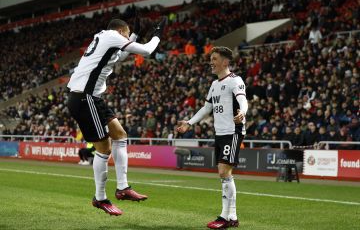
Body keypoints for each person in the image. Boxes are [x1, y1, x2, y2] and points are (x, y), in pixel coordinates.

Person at [67, 16, 166, 216]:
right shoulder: (113, 36)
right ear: (122, 31)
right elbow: (146, 50)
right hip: (84, 98)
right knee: (104, 147)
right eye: (128, 35)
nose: (129, 40)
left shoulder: (104, 37)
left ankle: (123, 188)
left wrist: (136, 34)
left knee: (120, 135)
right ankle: (100, 197)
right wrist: (157, 35)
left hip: (91, 97)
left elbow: (118, 56)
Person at [177, 46, 248, 229]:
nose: (211, 62)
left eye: (214, 58)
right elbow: (206, 108)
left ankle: (226, 217)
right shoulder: (215, 84)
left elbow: (242, 100)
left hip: (233, 131)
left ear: (225, 62)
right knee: (224, 175)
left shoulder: (235, 80)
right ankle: (231, 217)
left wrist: (243, 112)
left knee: (224, 172)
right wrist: (189, 123)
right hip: (220, 133)